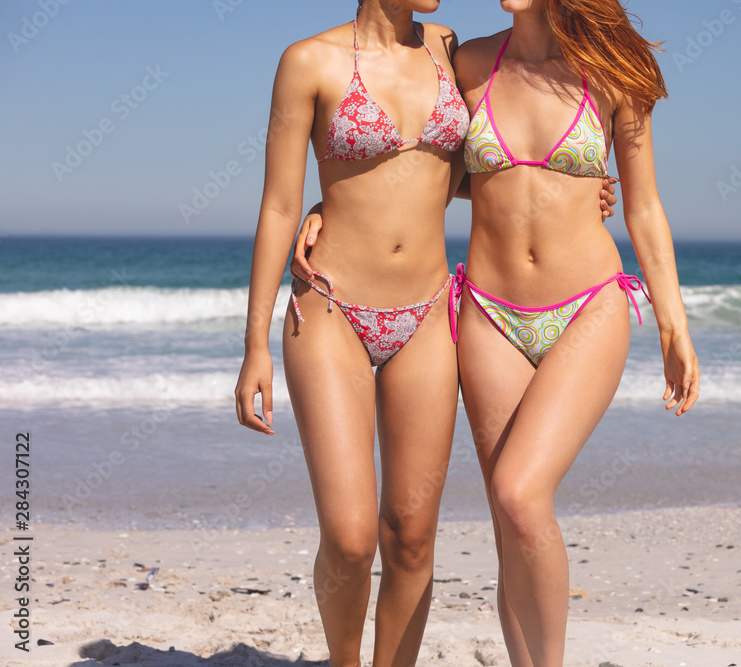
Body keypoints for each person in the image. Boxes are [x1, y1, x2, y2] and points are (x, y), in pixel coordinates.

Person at [235, 0, 616, 664]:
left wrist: (574, 189)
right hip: (331, 309)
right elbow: (276, 205)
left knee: (411, 534)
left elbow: (466, 170)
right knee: (352, 536)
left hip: (430, 313)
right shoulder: (308, 62)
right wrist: (253, 346)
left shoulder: (446, 49)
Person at [452, 1, 700, 665]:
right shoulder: (468, 63)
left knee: (519, 492)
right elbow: (422, 173)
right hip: (487, 312)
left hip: (586, 306)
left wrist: (674, 324)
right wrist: (324, 210)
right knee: (509, 525)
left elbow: (644, 207)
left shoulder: (619, 71)